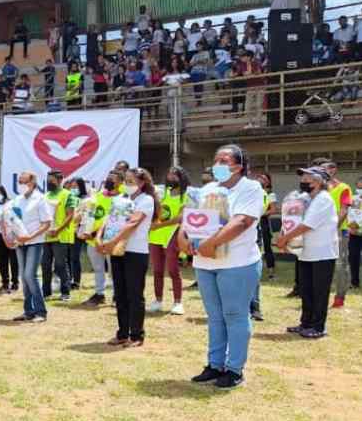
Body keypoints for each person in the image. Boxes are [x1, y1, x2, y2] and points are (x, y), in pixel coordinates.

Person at [177, 145, 263, 389]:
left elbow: (242, 221)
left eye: (224, 160)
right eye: (216, 160)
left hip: (237, 262)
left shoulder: (250, 188)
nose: (218, 164)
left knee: (235, 315)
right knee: (214, 317)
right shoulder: (206, 189)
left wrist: (211, 243)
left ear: (239, 165)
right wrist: (182, 238)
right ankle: (215, 365)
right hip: (205, 264)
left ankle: (234, 369)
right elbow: (189, 217)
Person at [98, 167, 157, 349]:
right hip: (117, 251)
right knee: (120, 294)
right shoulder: (120, 199)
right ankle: (122, 333)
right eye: (126, 181)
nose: (128, 185)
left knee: (134, 294)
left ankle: (136, 334)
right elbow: (108, 221)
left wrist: (111, 241)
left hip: (135, 252)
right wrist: (100, 237)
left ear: (142, 183)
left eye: (132, 181)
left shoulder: (146, 200)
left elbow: (133, 223)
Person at [277, 166, 338, 340]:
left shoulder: (323, 199)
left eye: (307, 177)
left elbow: (307, 225)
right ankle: (305, 323)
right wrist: (284, 234)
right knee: (306, 289)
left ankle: (318, 327)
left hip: (322, 253)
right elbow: (291, 219)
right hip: (305, 252)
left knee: (319, 291)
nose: (303, 180)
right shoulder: (304, 198)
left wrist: (284, 238)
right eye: (302, 177)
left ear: (319, 181)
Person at [9, 172, 53, 322]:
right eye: (19, 182)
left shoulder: (40, 199)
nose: (20, 184)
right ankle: (28, 311)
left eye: (23, 181)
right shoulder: (17, 200)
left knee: (30, 275)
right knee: (24, 277)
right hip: (20, 242)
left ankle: (41, 311)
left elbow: (46, 223)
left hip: (35, 242)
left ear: (32, 182)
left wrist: (30, 236)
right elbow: (13, 220)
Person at [148, 167, 189, 315]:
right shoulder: (161, 193)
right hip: (155, 236)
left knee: (173, 269)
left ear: (181, 178)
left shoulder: (185, 196)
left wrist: (159, 225)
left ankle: (177, 302)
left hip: (172, 234)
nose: (170, 178)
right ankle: (158, 300)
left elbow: (180, 218)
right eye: (169, 175)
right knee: (157, 270)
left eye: (174, 175)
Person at [80, 171, 122, 306]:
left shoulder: (122, 200)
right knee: (98, 268)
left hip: (111, 240)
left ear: (120, 182)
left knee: (114, 270)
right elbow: (89, 215)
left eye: (113, 180)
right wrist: (83, 228)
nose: (109, 182)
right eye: (108, 179)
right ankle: (99, 294)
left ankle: (117, 296)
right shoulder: (96, 196)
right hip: (92, 240)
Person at [321, 160, 352, 308]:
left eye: (324, 169)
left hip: (339, 231)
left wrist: (333, 227)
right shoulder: (319, 189)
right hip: (320, 231)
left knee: (340, 264)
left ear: (333, 170)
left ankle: (339, 297)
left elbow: (344, 211)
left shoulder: (343, 188)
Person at [42, 170, 76, 302]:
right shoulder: (46, 196)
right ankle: (46, 292)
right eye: (48, 180)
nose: (49, 182)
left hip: (61, 235)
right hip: (46, 235)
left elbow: (70, 215)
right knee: (45, 264)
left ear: (60, 180)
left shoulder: (68, 195)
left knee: (61, 265)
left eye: (52, 180)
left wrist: (58, 229)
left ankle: (65, 292)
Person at [0, 184, 19, 294]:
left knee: (14, 259)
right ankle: (5, 283)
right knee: (2, 260)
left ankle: (15, 283)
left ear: (4, 192)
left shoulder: (11, 203)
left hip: (11, 235)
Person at [65, 177, 89, 289]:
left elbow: (85, 216)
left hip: (77, 231)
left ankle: (76, 281)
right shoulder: (69, 198)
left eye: (75, 187)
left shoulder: (85, 199)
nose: (73, 189)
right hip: (66, 230)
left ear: (81, 186)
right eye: (72, 187)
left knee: (74, 257)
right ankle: (68, 279)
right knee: (67, 256)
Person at [257, 173, 277, 280]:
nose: (261, 180)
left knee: (267, 247)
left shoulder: (270, 194)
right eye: (259, 177)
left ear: (268, 182)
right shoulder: (254, 193)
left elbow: (273, 209)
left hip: (264, 223)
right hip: (253, 223)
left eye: (264, 178)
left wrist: (260, 214)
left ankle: (271, 272)